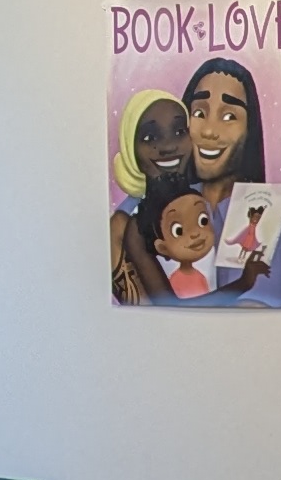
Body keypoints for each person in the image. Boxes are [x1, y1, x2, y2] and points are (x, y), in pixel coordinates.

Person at [108, 89, 193, 304]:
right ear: (131, 149)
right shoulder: (124, 225)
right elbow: (154, 312)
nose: (168, 146)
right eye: (150, 137)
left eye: (179, 131)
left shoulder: (207, 204)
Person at [181, 57, 268, 195]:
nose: (209, 131)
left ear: (249, 127)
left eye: (229, 117)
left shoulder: (264, 207)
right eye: (199, 113)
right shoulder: (169, 207)